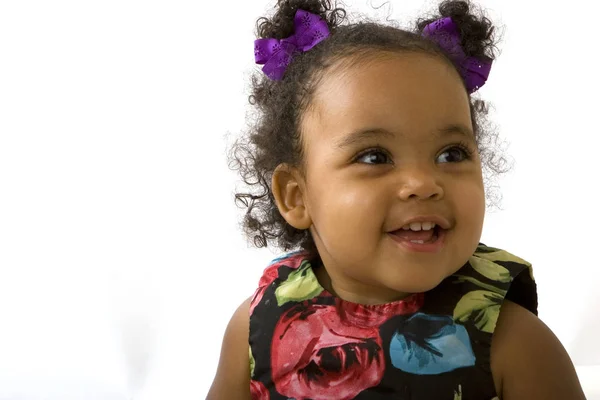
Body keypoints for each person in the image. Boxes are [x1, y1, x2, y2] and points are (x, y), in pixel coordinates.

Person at [207, 0, 587, 398]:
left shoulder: (513, 344)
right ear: (296, 196)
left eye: (451, 154)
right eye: (375, 157)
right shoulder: (256, 329)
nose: (423, 183)